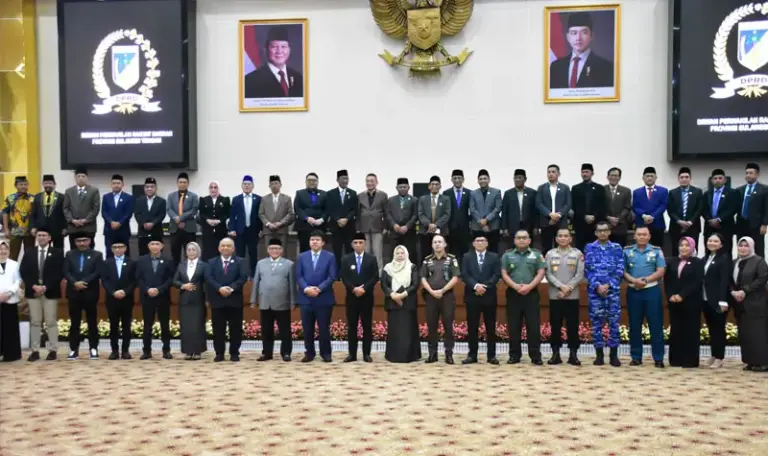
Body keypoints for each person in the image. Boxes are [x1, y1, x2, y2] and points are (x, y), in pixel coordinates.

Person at [623, 226, 666, 368]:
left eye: (644, 234)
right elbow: (623, 271)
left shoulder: (656, 251)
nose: (642, 237)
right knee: (634, 325)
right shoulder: (627, 251)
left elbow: (661, 270)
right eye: (639, 234)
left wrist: (646, 280)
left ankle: (658, 358)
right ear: (634, 236)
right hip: (633, 291)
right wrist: (634, 281)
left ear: (649, 236)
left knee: (656, 325)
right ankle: (636, 357)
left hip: (651, 290)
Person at [501, 229, 546, 365]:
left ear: (529, 240)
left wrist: (529, 287)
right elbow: (504, 273)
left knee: (533, 326)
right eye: (519, 238)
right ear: (514, 240)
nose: (521, 240)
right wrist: (515, 286)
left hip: (531, 294)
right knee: (514, 326)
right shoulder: (507, 255)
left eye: (524, 237)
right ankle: (514, 355)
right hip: (513, 294)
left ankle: (535, 356)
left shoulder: (537, 255)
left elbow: (541, 272)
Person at [19, 229, 64, 361]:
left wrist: (45, 287)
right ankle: (35, 351)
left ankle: (53, 350)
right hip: (33, 292)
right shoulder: (29, 252)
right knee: (35, 321)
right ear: (36, 237)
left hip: (50, 291)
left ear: (49, 238)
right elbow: (23, 271)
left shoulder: (57, 253)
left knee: (51, 321)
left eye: (44, 235)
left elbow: (60, 272)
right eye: (39, 235)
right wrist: (33, 285)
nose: (42, 237)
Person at [584, 221, 624, 367]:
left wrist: (608, 285)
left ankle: (614, 355)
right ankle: (599, 355)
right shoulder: (589, 248)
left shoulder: (616, 248)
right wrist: (597, 286)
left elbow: (620, 269)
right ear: (595, 233)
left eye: (605, 230)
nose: (602, 233)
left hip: (612, 292)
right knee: (596, 324)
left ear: (609, 232)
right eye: (599, 230)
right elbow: (587, 270)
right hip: (595, 293)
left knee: (614, 323)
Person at [250, 238, 295, 362]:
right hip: (265, 301)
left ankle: (286, 353)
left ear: (281, 250)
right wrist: (253, 300)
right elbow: (256, 282)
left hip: (282, 302)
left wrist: (293, 301)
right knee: (266, 330)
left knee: (284, 330)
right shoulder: (261, 263)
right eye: (272, 248)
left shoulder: (289, 264)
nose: (274, 251)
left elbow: (292, 284)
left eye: (277, 249)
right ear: (268, 250)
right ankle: (267, 353)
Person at [205, 237, 249, 362]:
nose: (225, 248)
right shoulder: (211, 262)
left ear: (233, 248)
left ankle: (234, 353)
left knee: (235, 328)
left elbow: (243, 277)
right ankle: (219, 353)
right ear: (219, 248)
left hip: (234, 300)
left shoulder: (240, 261)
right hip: (217, 300)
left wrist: (231, 288)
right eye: (223, 245)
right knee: (218, 328)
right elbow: (209, 277)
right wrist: (219, 288)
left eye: (228, 246)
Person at [296, 230, 337, 362]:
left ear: (323, 243)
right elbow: (299, 276)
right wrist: (306, 288)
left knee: (324, 328)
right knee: (307, 328)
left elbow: (332, 276)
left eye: (317, 240)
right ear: (309, 242)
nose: (314, 242)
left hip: (323, 298)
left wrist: (319, 289)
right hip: (306, 298)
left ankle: (326, 353)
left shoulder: (330, 257)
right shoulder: (302, 256)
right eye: (312, 240)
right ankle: (309, 353)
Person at [545, 228, 584, 366]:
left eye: (566, 236)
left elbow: (580, 274)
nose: (563, 238)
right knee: (555, 326)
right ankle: (555, 354)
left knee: (573, 326)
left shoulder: (577, 254)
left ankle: (573, 354)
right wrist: (561, 287)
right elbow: (548, 274)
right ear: (556, 239)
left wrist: (569, 288)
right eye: (560, 236)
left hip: (572, 296)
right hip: (555, 296)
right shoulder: (550, 254)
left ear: (570, 238)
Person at [461, 233, 501, 365]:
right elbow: (464, 274)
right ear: (473, 244)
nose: (480, 242)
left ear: (487, 243)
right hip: (472, 296)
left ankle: (491, 356)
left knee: (490, 327)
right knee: (472, 327)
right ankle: (472, 355)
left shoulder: (494, 257)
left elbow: (497, 274)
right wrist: (476, 286)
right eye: (477, 240)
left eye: (482, 240)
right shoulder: (467, 257)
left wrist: (485, 286)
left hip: (489, 296)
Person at [664, 236, 704, 368]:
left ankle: (690, 360)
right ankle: (675, 359)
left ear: (692, 247)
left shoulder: (698, 262)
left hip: (691, 301)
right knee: (676, 330)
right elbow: (668, 281)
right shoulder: (672, 261)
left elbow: (696, 282)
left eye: (687, 245)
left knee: (690, 330)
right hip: (674, 302)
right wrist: (671, 295)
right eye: (681, 245)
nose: (684, 248)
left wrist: (682, 295)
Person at [421, 234, 460, 364]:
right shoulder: (427, 260)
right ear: (432, 245)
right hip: (431, 297)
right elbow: (423, 278)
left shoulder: (451, 259)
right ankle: (432, 354)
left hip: (447, 296)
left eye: (439, 242)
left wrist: (442, 291)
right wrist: (431, 292)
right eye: (435, 242)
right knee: (431, 325)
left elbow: (455, 278)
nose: (437, 244)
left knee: (448, 325)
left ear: (445, 244)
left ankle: (449, 354)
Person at [730, 236, 768, 372]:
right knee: (745, 334)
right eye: (740, 245)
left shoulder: (759, 261)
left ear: (752, 247)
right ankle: (750, 361)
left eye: (746, 246)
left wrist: (745, 291)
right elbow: (730, 280)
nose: (743, 248)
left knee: (757, 334)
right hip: (739, 304)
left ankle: (763, 362)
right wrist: (733, 292)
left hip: (756, 303)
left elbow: (762, 279)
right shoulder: (735, 262)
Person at [341, 233, 380, 362]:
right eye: (356, 243)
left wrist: (364, 288)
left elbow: (375, 276)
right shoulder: (346, 259)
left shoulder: (371, 259)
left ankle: (366, 354)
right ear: (352, 244)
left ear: (365, 244)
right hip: (351, 297)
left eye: (361, 242)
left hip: (366, 297)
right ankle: (352, 354)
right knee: (352, 326)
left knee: (366, 326)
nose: (358, 245)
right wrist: (354, 289)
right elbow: (344, 277)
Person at [63, 233, 103, 360]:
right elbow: (66, 271)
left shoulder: (97, 255)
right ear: (75, 242)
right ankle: (73, 349)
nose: (81, 243)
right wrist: (75, 282)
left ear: (90, 241)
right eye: (79, 241)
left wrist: (84, 282)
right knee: (74, 322)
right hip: (74, 292)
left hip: (90, 292)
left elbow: (98, 272)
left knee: (92, 322)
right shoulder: (69, 254)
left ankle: (93, 348)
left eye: (84, 240)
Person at [549, 11, 614, 89]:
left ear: (592, 36)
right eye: (574, 33)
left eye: (584, 32)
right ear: (568, 37)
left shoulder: (606, 67)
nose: (578, 38)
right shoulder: (556, 67)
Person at [136, 239, 175, 360]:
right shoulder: (141, 260)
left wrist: (159, 289)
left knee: (165, 325)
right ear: (148, 246)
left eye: (157, 244)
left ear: (162, 246)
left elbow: (171, 278)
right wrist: (147, 289)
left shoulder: (168, 260)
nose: (155, 246)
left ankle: (166, 350)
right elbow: (138, 278)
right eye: (152, 244)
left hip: (163, 297)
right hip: (147, 297)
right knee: (147, 325)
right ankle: (146, 351)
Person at [381, 245, 421, 363]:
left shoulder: (412, 267)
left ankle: (409, 356)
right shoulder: (388, 268)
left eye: (402, 253)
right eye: (397, 253)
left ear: (406, 254)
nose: (400, 255)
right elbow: (383, 284)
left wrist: (403, 295)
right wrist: (392, 294)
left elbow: (415, 284)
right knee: (395, 330)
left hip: (407, 302)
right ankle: (393, 356)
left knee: (407, 330)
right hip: (392, 302)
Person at [243, 25, 304, 98]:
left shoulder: (298, 77)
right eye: (274, 47)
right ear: (266, 50)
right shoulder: (251, 80)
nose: (279, 51)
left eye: (283, 46)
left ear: (289, 50)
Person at [101, 239, 137, 360]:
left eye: (120, 247)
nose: (117, 249)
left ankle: (125, 351)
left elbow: (134, 280)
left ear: (125, 248)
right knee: (113, 326)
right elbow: (104, 280)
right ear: (111, 249)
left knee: (126, 325)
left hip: (127, 298)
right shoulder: (107, 262)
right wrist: (113, 292)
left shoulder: (132, 262)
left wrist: (125, 292)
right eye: (115, 247)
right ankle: (114, 351)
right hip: (112, 298)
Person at [701, 233, 732, 369]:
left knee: (718, 329)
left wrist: (723, 300)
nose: (712, 243)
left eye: (715, 241)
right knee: (711, 329)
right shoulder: (705, 258)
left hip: (718, 301)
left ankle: (720, 357)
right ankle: (714, 355)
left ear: (721, 244)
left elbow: (724, 281)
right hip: (705, 299)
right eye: (710, 240)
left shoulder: (724, 259)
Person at [173, 242, 208, 360]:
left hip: (198, 299)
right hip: (184, 300)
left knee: (197, 326)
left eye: (194, 250)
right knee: (186, 326)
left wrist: (207, 299)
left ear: (198, 252)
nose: (191, 252)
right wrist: (183, 286)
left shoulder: (204, 265)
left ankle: (197, 351)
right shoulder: (181, 265)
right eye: (189, 250)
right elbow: (175, 281)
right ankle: (188, 351)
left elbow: (207, 282)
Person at [228, 175, 263, 274]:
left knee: (253, 254)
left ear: (253, 186)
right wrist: (232, 229)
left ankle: (253, 275)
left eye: (249, 184)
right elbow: (232, 215)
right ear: (242, 186)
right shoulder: (236, 199)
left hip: (253, 231)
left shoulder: (258, 199)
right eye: (245, 184)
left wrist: (261, 229)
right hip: (240, 231)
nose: (247, 186)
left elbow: (261, 215)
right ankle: (240, 274)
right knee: (240, 255)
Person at [667, 167, 704, 257]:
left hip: (693, 227)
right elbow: (670, 210)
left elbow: (699, 209)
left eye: (686, 177)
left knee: (692, 252)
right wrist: (679, 221)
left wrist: (690, 222)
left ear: (690, 178)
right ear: (678, 179)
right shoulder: (672, 192)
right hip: (676, 227)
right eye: (682, 177)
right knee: (676, 252)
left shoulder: (697, 192)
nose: (684, 179)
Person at [326, 170, 357, 274]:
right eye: (343, 179)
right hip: (336, 227)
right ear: (337, 180)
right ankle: (337, 274)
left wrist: (346, 219)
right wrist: (338, 219)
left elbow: (354, 210)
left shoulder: (352, 193)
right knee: (337, 251)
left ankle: (349, 273)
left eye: (346, 179)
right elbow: (329, 209)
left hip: (349, 227)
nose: (345, 181)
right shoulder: (330, 193)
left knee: (350, 251)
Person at [535, 165, 572, 253]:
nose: (551, 174)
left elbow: (568, 204)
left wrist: (558, 215)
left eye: (553, 172)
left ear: (558, 174)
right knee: (546, 247)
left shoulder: (565, 188)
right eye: (549, 172)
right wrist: (550, 214)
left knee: (561, 247)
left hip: (561, 222)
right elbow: (539, 204)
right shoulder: (541, 188)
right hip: (546, 222)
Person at [632, 167, 669, 252]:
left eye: (651, 176)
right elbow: (635, 206)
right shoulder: (637, 192)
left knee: (657, 249)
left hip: (657, 224)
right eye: (647, 176)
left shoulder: (663, 191)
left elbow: (663, 205)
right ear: (643, 178)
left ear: (656, 177)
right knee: (640, 249)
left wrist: (652, 216)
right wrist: (644, 215)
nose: (649, 178)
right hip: (641, 224)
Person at [62, 168, 100, 249]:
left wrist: (86, 220)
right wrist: (72, 220)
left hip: (89, 227)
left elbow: (95, 208)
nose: (81, 178)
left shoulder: (94, 190)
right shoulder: (69, 191)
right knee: (74, 250)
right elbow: (66, 208)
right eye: (78, 176)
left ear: (87, 178)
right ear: (75, 178)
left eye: (83, 176)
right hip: (73, 227)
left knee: (89, 250)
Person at [571, 163, 606, 251]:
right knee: (580, 249)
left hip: (595, 224)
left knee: (595, 249)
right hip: (580, 224)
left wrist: (594, 216)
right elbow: (574, 206)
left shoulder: (599, 188)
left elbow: (602, 206)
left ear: (592, 173)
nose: (584, 174)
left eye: (587, 172)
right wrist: (584, 216)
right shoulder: (575, 188)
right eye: (583, 172)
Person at [357, 173, 388, 272]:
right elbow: (357, 214)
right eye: (367, 181)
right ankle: (366, 274)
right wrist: (357, 229)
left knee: (377, 253)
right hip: (364, 228)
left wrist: (385, 227)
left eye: (372, 181)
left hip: (378, 228)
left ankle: (379, 275)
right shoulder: (360, 196)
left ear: (376, 182)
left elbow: (386, 212)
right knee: (365, 253)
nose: (369, 183)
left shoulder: (383, 195)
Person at [167, 172, 200, 266]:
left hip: (189, 228)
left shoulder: (193, 196)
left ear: (188, 183)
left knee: (191, 253)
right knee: (174, 253)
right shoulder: (171, 196)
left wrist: (181, 218)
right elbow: (169, 209)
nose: (182, 184)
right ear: (177, 183)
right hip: (174, 228)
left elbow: (194, 210)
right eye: (180, 182)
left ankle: (190, 272)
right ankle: (175, 273)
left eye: (184, 182)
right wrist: (176, 218)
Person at [736, 163, 768, 258]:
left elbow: (766, 207)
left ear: (757, 174)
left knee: (758, 249)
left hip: (757, 225)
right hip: (741, 224)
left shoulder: (764, 189)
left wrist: (764, 224)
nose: (748, 175)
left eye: (751, 173)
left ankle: (760, 266)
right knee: (742, 248)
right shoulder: (739, 190)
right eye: (746, 173)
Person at [703, 169, 737, 257]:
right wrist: (710, 220)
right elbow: (703, 209)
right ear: (711, 180)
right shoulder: (707, 194)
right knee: (709, 252)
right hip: (710, 227)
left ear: (725, 180)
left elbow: (733, 208)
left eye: (720, 178)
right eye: (715, 178)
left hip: (725, 227)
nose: (717, 180)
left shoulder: (732, 193)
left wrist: (719, 219)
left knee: (725, 252)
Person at [418, 175, 451, 265]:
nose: (434, 186)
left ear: (440, 186)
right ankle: (425, 272)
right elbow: (420, 214)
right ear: (429, 186)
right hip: (426, 231)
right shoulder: (423, 199)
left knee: (441, 255)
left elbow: (447, 214)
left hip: (441, 231)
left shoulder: (446, 199)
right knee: (425, 254)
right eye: (432, 184)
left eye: (437, 184)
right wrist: (429, 224)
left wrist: (436, 225)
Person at [258, 175, 294, 257]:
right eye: (272, 184)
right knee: (269, 254)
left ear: (280, 185)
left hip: (282, 230)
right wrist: (268, 224)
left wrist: (281, 223)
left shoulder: (287, 198)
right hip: (268, 231)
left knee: (282, 253)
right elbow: (261, 213)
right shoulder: (264, 199)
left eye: (276, 183)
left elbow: (290, 213)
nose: (274, 185)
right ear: (269, 186)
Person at [101, 174, 134, 258]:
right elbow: (104, 212)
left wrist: (119, 223)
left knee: (125, 254)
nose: (116, 185)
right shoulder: (106, 197)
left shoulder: (128, 197)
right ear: (111, 185)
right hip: (109, 230)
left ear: (122, 184)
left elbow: (129, 213)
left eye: (118, 183)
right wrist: (111, 222)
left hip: (123, 230)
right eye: (114, 183)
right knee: (109, 253)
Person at [469, 169, 502, 254]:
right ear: (478, 181)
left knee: (493, 250)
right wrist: (481, 222)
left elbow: (497, 208)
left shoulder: (496, 192)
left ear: (489, 179)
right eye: (480, 179)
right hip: (477, 226)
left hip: (493, 226)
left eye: (485, 178)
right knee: (478, 250)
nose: (483, 180)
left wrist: (486, 220)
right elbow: (472, 209)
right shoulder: (473, 193)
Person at [294, 173, 328, 253]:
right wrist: (307, 218)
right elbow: (297, 208)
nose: (312, 182)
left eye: (314, 180)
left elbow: (327, 209)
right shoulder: (299, 193)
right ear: (306, 182)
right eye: (309, 180)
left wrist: (322, 219)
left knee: (319, 250)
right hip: (304, 226)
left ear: (317, 182)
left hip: (320, 226)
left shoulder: (325, 194)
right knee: (304, 250)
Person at [386, 178, 418, 261]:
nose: (403, 189)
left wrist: (407, 226)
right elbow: (388, 214)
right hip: (395, 231)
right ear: (397, 188)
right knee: (394, 254)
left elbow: (415, 215)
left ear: (408, 188)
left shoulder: (414, 200)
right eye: (400, 187)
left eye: (405, 187)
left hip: (409, 232)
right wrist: (394, 225)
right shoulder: (391, 200)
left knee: (409, 254)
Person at [0, 240, 22, 362]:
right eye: (0, 249)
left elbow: (18, 280)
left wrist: (9, 293)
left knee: (10, 328)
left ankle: (11, 354)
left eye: (5, 249)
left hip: (10, 299)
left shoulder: (14, 264)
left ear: (8, 251)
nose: (3, 251)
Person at [30, 174, 66, 249]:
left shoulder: (62, 197)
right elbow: (33, 213)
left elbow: (65, 213)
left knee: (58, 250)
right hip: (42, 229)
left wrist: (65, 228)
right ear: (43, 184)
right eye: (46, 183)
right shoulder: (37, 197)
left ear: (54, 184)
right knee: (43, 250)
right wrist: (33, 227)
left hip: (57, 229)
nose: (48, 185)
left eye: (50, 183)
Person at [2, 176, 34, 260]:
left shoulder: (32, 198)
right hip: (14, 231)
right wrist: (6, 229)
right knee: (13, 255)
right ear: (16, 186)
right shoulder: (10, 198)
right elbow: (5, 213)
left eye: (25, 184)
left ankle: (27, 269)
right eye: (21, 184)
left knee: (30, 255)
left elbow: (36, 214)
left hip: (29, 231)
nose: (23, 186)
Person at [198, 180, 231, 261]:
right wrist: (207, 220)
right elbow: (201, 214)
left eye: (215, 187)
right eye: (211, 187)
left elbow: (228, 214)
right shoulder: (203, 199)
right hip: (207, 231)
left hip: (221, 230)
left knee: (220, 251)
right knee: (207, 251)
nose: (213, 189)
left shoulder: (225, 200)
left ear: (218, 188)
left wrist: (219, 221)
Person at [134, 177, 167, 257]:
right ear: (144, 188)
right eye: (147, 187)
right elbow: (137, 214)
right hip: (143, 233)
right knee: (143, 256)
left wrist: (153, 223)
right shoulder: (138, 200)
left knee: (157, 256)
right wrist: (144, 223)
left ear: (156, 188)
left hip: (156, 233)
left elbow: (162, 215)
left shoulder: (162, 201)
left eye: (152, 187)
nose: (149, 189)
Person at [501, 169, 537, 241]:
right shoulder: (508, 193)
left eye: (520, 178)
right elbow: (504, 211)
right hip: (513, 226)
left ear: (525, 179)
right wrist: (504, 227)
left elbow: (536, 211)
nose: (517, 180)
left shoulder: (532, 193)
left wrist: (536, 227)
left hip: (529, 225)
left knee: (528, 244)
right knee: (513, 245)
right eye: (515, 178)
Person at [444, 169, 471, 262]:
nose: (457, 180)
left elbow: (472, 210)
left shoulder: (469, 193)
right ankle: (453, 269)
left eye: (459, 178)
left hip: (465, 228)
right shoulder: (446, 193)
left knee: (465, 252)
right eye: (455, 178)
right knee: (452, 252)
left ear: (463, 179)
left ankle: (464, 270)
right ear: (451, 180)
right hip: (451, 228)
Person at [604, 167, 632, 246]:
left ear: (619, 177)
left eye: (616, 175)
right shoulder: (602, 189)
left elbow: (627, 207)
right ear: (607, 177)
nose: (613, 177)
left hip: (620, 226)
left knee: (619, 248)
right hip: (605, 225)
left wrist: (618, 219)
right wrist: (608, 217)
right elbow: (599, 207)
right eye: (611, 175)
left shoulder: (626, 191)